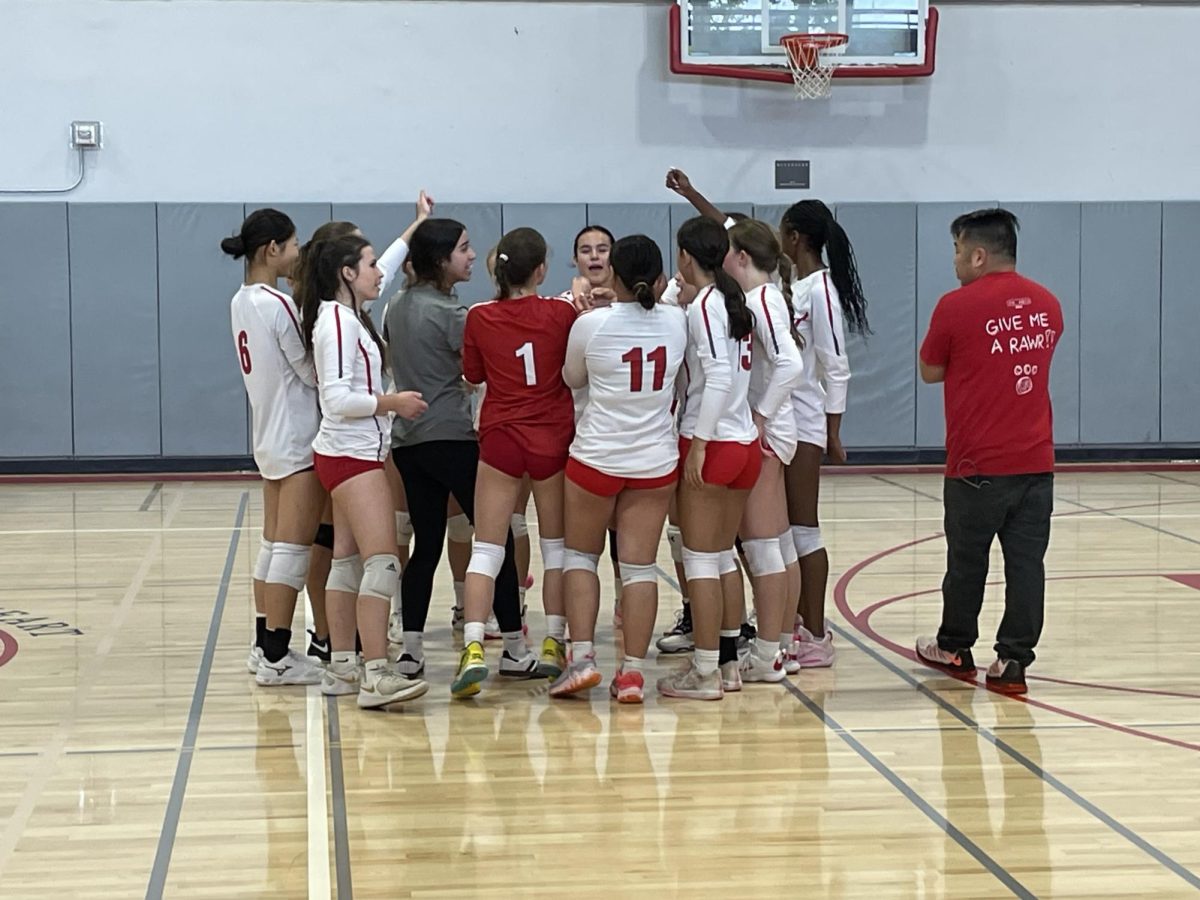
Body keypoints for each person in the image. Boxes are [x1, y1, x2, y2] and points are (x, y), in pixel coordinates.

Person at [914, 208, 1062, 695]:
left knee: (967, 562)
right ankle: (1014, 661)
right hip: (1036, 463)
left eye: (957, 251)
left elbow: (930, 370)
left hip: (976, 464)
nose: (954, 261)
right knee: (1026, 567)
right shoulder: (1049, 304)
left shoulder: (955, 306)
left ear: (978, 254)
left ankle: (955, 646)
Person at [385, 218, 527, 695]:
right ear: (441, 258)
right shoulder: (453, 316)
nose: (472, 256)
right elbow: (475, 371)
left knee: (426, 544)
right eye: (464, 249)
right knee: (495, 539)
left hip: (408, 442)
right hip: (452, 437)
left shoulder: (397, 305)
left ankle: (410, 649)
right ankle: (514, 647)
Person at [550, 235, 687, 703]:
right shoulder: (676, 321)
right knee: (640, 568)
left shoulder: (591, 325)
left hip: (597, 457)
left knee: (580, 558)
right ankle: (631, 674)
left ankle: (583, 659)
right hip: (654, 461)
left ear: (614, 274)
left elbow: (571, 379)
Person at [296, 232, 430, 708]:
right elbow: (335, 399)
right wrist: (391, 402)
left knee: (348, 560)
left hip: (347, 453)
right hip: (352, 455)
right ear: (346, 273)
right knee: (383, 560)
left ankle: (342, 666)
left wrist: (415, 226)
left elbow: (389, 265)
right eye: (370, 265)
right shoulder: (339, 324)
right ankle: (376, 673)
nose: (380, 273)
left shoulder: (343, 314)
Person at [459, 227, 577, 693]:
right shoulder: (561, 312)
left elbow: (472, 375)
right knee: (556, 551)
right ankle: (554, 642)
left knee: (486, 549)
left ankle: (472, 644)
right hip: (552, 439)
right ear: (541, 270)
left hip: (501, 437)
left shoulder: (479, 315)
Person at [657, 217, 759, 702]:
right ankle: (728, 664)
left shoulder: (703, 308)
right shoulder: (729, 303)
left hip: (713, 442)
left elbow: (716, 376)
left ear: (684, 257)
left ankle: (702, 673)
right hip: (744, 444)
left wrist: (697, 443)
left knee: (698, 559)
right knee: (721, 557)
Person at [223, 209, 326, 687]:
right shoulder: (277, 304)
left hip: (267, 434)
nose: (297, 253)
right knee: (291, 550)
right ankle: (277, 655)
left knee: (271, 545)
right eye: (293, 245)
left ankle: (263, 644)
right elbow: (308, 373)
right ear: (272, 250)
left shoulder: (240, 301)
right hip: (297, 436)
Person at [777, 199, 870, 669]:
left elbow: (837, 367)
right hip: (783, 422)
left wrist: (834, 433)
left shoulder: (822, 292)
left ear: (794, 237)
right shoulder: (793, 284)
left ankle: (815, 633)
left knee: (803, 529)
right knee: (783, 531)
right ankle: (796, 619)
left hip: (807, 423)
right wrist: (692, 195)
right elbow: (733, 229)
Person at [723, 219, 805, 686]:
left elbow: (790, 363)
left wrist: (760, 418)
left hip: (769, 432)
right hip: (776, 428)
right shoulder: (764, 297)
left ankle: (770, 652)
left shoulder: (761, 300)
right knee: (779, 541)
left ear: (739, 257)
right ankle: (785, 646)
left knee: (760, 545)